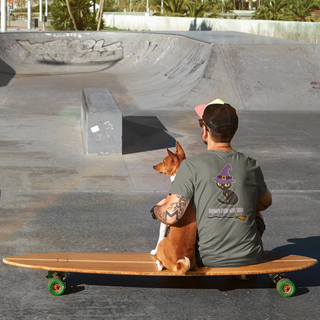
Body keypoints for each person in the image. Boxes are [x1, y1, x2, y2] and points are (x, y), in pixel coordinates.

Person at [151, 99, 272, 268]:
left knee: (184, 213)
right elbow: (266, 203)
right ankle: (241, 256)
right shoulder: (250, 164)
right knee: (257, 212)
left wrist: (156, 210)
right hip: (251, 256)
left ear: (205, 130)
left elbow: (171, 216)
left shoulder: (190, 166)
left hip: (205, 258)